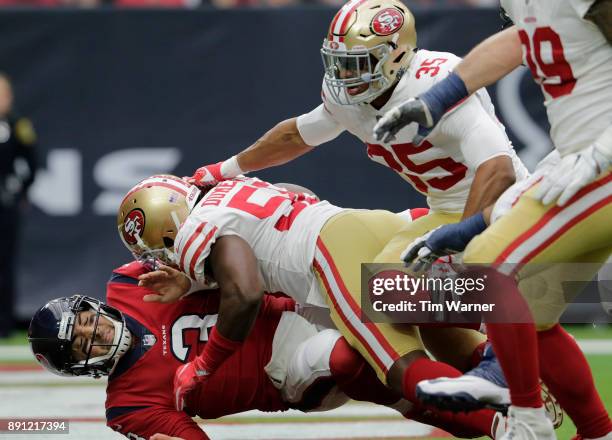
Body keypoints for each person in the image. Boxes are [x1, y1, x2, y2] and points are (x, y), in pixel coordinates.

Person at [116, 174, 526, 439]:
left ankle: (513, 424)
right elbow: (299, 194)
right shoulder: (224, 190)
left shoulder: (189, 235)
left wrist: (203, 365)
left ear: (165, 232)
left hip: (330, 258)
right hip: (363, 223)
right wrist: (194, 279)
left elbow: (244, 293)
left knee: (399, 367)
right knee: (467, 305)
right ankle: (524, 365)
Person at [373, 1, 612, 439]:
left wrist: (604, 148)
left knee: (489, 262)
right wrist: (435, 101)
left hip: (603, 161)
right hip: (583, 159)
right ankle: (595, 431)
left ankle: (524, 414)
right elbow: (518, 41)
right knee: (533, 317)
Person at [185, 0, 528, 272]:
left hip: (500, 207)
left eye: (358, 63)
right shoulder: (348, 98)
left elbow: (498, 169)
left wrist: (463, 239)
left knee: (472, 300)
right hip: (444, 209)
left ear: (396, 54)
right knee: (385, 292)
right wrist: (224, 170)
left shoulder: (435, 83)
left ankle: (494, 349)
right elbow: (298, 135)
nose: (345, 75)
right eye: (339, 63)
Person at [29, 259, 508, 440]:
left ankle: (517, 316)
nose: (97, 332)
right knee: (348, 355)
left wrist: (192, 273)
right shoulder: (128, 405)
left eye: (89, 320)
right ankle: (489, 423)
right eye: (82, 341)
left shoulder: (128, 282)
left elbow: (214, 253)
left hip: (291, 299)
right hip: (285, 371)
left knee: (397, 286)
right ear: (77, 366)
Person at [0, 72, 37, 338]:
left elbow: (32, 161)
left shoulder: (16, 125)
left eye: (5, 94)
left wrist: (22, 190)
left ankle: (4, 322)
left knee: (5, 262)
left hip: (5, 204)